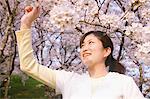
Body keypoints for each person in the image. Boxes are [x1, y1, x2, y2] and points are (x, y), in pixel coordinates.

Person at [16, 1, 145, 99]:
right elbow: (28, 66)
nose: (85, 48)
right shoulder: (68, 80)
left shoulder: (123, 82)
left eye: (91, 43)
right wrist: (26, 24)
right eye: (82, 45)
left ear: (106, 51)